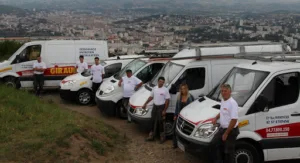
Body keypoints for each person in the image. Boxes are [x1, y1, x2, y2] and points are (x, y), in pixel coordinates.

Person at [211, 84, 239, 163]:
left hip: (230, 130)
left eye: (225, 91)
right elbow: (222, 111)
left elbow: (234, 120)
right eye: (222, 91)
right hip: (222, 129)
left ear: (230, 92)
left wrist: (226, 133)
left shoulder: (232, 103)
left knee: (229, 153)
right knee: (214, 144)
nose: (223, 93)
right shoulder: (223, 100)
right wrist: (215, 118)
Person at [143, 77, 170, 144]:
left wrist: (164, 110)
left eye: (163, 82)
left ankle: (162, 137)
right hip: (155, 106)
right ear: (158, 81)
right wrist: (145, 103)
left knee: (160, 122)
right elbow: (151, 97)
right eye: (160, 81)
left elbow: (167, 100)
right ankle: (151, 136)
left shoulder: (165, 90)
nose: (161, 83)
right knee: (152, 121)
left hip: (161, 107)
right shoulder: (154, 89)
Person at [173, 83, 194, 149]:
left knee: (185, 132)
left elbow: (192, 108)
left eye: (184, 88)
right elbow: (177, 107)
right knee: (174, 129)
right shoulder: (179, 97)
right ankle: (175, 144)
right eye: (181, 89)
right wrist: (175, 115)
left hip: (187, 118)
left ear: (187, 89)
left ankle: (186, 146)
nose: (183, 90)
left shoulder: (190, 97)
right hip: (179, 116)